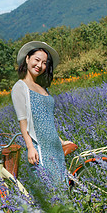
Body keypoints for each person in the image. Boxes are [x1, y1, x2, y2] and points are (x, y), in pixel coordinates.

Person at [11, 41, 72, 189]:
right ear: (27, 59)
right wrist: (30, 147)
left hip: (54, 146)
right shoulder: (20, 87)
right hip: (40, 147)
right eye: (37, 60)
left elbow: (47, 120)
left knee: (63, 187)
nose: (40, 65)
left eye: (44, 63)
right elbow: (23, 121)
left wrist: (60, 141)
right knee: (51, 190)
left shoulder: (42, 88)